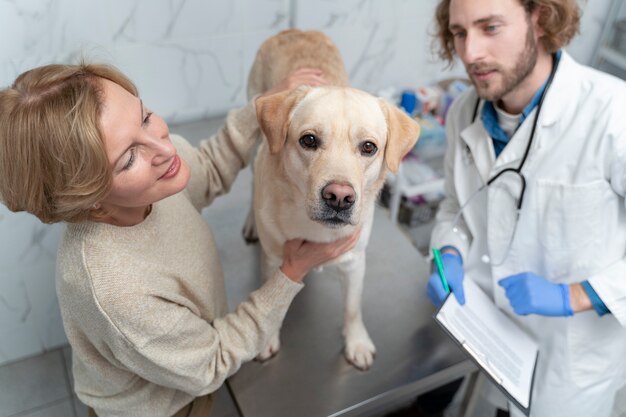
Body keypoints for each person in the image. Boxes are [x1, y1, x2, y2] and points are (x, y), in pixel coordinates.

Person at [0, 62, 360, 417]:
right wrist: (290, 274)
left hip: (185, 363)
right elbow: (210, 364)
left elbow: (207, 166)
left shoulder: (155, 177)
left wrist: (265, 106)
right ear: (88, 197)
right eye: (128, 159)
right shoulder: (117, 292)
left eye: (145, 116)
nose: (165, 148)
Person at [426, 0, 626, 416]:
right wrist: (449, 251)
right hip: (488, 341)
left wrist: (579, 294)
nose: (471, 53)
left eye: (490, 28)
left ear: (540, 18)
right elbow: (454, 208)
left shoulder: (612, 112)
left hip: (570, 367)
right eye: (460, 33)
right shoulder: (466, 111)